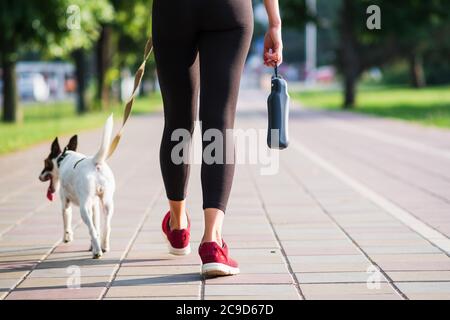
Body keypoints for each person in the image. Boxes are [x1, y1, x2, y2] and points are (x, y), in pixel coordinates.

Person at [153, 0, 283, 277]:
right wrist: (274, 22)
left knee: (177, 121)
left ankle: (177, 227)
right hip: (229, 9)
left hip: (174, 11)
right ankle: (212, 242)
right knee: (219, 121)